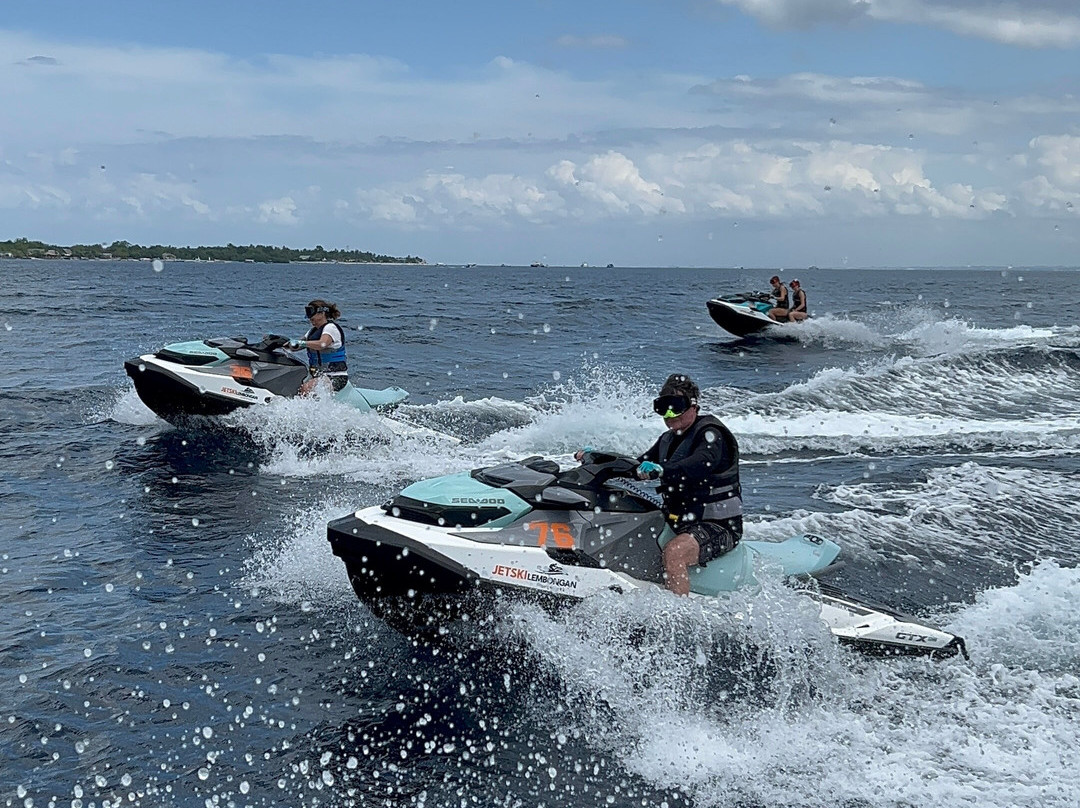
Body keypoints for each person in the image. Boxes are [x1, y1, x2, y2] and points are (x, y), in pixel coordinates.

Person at [632, 374, 744, 596]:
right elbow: (636, 465)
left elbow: (700, 463)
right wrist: (599, 460)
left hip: (719, 526)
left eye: (676, 407)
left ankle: (678, 617)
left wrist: (664, 470)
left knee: (674, 552)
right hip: (680, 521)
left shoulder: (712, 434)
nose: (669, 415)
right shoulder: (667, 440)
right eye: (664, 408)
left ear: (693, 406)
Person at [290, 299, 349, 393]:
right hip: (318, 376)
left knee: (307, 388)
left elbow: (322, 344)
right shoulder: (311, 332)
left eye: (313, 317)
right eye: (310, 318)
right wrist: (281, 342)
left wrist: (302, 343)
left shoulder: (331, 328)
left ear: (322, 313)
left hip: (336, 376)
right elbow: (295, 346)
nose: (311, 320)